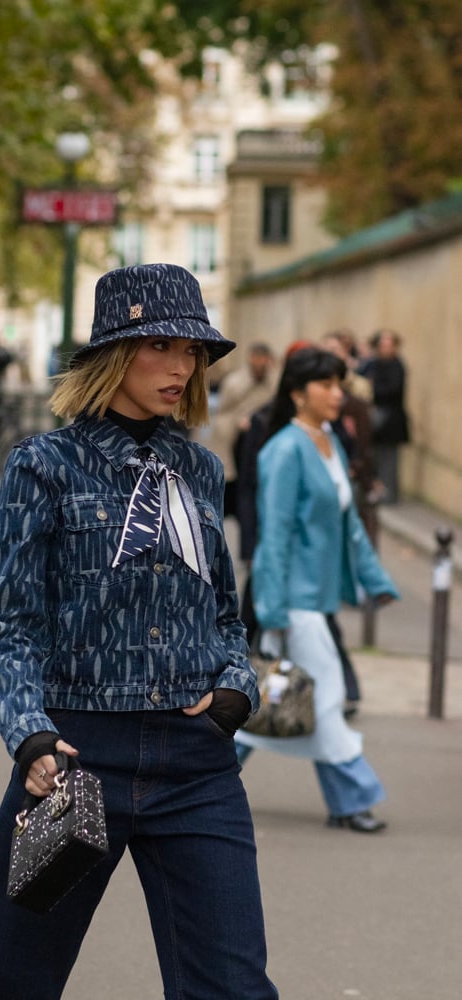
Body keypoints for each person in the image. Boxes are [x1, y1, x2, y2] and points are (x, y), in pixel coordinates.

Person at [0, 263, 278, 1000]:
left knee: (232, 988)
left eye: (191, 350)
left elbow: (224, 613)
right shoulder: (43, 467)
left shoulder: (197, 470)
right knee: (6, 982)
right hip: (75, 761)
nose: (179, 365)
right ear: (111, 354)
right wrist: (29, 736)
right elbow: (9, 623)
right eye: (159, 346)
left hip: (195, 765)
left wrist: (235, 687)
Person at [234, 347, 399, 834]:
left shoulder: (327, 439)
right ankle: (353, 797)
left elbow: (348, 525)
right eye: (326, 385)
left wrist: (376, 580)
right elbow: (274, 536)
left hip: (315, 596)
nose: (337, 394)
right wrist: (272, 607)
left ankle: (195, 778)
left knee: (264, 708)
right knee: (324, 698)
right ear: (297, 392)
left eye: (339, 384)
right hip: (292, 600)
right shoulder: (284, 449)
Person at [207, 342, 276, 519]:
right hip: (235, 437)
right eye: (257, 358)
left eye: (263, 359)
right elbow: (224, 411)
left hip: (261, 437)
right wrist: (239, 421)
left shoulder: (272, 383)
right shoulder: (235, 382)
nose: (260, 363)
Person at [361, 328, 410, 504]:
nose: (385, 349)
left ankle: (390, 496)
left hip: (391, 421)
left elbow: (391, 391)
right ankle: (381, 492)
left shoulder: (396, 366)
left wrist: (372, 388)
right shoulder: (376, 363)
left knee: (389, 459)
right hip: (380, 419)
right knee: (378, 457)